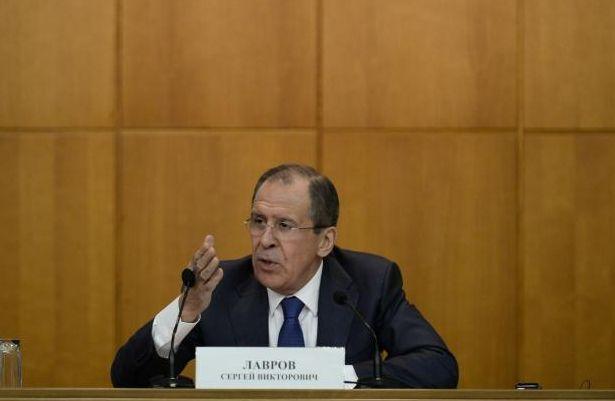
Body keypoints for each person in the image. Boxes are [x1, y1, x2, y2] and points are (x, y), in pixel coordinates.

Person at [111, 164, 458, 388]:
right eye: (258, 221)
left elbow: (438, 366)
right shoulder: (220, 287)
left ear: (325, 241)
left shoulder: (370, 282)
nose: (265, 240)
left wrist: (335, 377)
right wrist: (188, 310)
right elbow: (127, 377)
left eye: (284, 226)